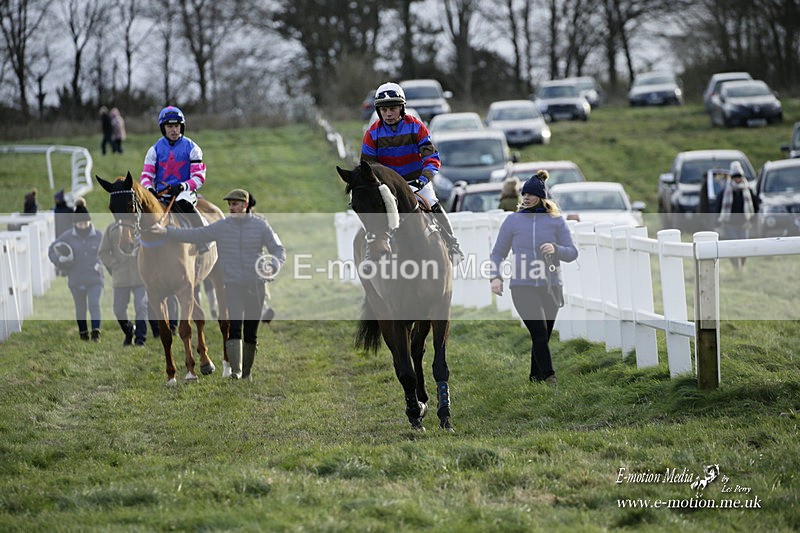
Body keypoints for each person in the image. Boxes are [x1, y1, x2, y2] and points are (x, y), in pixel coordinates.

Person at [149, 188, 286, 380]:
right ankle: (237, 372)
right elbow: (195, 235)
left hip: (256, 285)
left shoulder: (261, 226)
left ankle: (247, 373)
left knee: (251, 333)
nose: (232, 208)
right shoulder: (222, 226)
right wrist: (166, 231)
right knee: (235, 329)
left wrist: (274, 263)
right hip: (233, 286)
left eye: (235, 204)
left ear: (245, 205)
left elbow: (278, 249)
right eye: (229, 205)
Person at [489, 170, 578, 384]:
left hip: (551, 285)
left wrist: (556, 249)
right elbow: (497, 253)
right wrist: (495, 277)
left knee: (543, 335)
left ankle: (534, 377)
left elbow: (572, 252)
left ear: (541, 197)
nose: (526, 197)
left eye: (530, 194)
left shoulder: (556, 222)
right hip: (522, 285)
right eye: (524, 194)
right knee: (538, 330)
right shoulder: (512, 221)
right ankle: (549, 376)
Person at [361, 82, 464, 263]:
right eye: (384, 110)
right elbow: (367, 167)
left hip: (416, 182)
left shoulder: (416, 127)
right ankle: (371, 251)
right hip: (388, 187)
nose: (388, 114)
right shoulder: (372, 133)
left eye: (392, 108)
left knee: (432, 203)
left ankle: (452, 244)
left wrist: (423, 180)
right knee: (373, 212)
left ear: (402, 108)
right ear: (378, 111)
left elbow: (432, 158)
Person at [139, 105, 209, 251]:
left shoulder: (192, 148)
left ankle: (203, 239)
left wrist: (183, 186)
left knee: (183, 201)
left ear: (181, 127)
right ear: (163, 128)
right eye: (170, 126)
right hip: (160, 194)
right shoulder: (154, 150)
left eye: (177, 126)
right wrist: (149, 189)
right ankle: (136, 244)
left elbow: (199, 177)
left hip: (184, 192)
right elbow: (146, 176)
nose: (174, 130)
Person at [47, 198, 104, 341]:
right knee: (80, 308)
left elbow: (108, 252)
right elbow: (52, 250)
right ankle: (83, 333)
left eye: (86, 223)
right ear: (75, 224)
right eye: (80, 223)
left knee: (94, 304)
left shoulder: (98, 236)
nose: (83, 226)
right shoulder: (67, 236)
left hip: (95, 278)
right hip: (75, 279)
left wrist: (105, 264)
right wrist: (59, 261)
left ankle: (96, 332)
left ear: (89, 221)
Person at [99, 220, 150, 346]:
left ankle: (140, 340)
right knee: (118, 309)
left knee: (141, 306)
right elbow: (103, 252)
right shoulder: (111, 229)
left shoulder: (141, 227)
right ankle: (129, 331)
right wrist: (113, 264)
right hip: (120, 276)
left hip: (140, 275)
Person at [716, 161, 755, 270]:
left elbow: (754, 207)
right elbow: (718, 207)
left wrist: (751, 221)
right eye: (735, 177)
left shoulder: (748, 191)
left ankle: (741, 265)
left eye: (739, 176)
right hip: (729, 224)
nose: (737, 179)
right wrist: (718, 223)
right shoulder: (725, 192)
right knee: (732, 248)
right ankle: (736, 267)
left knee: (745, 248)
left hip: (744, 223)